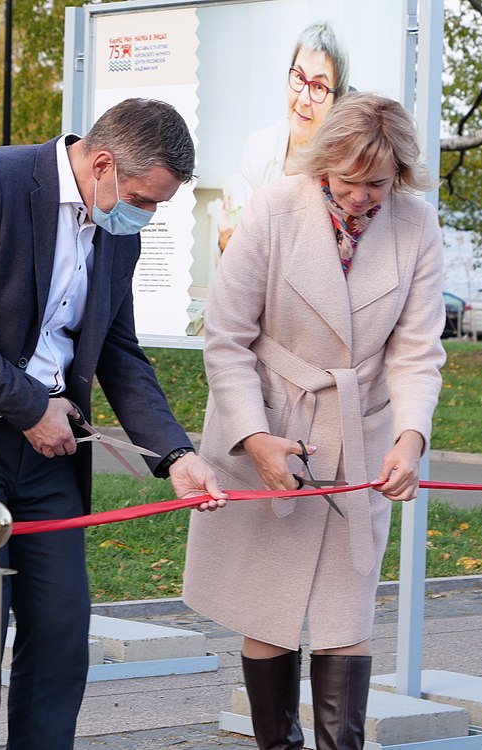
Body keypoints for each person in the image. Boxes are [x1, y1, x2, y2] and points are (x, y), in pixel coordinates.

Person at [0, 98, 226, 750]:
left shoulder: (122, 233)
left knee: (60, 631)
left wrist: (176, 455)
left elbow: (118, 351)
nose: (149, 214)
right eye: (144, 198)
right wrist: (30, 406)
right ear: (103, 163)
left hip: (53, 448)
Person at [184, 92, 446, 749]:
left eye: (378, 185)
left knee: (345, 612)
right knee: (266, 609)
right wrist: (253, 440)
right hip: (272, 422)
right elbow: (226, 337)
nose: (361, 198)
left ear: (401, 176)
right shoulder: (275, 208)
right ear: (325, 163)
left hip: (361, 438)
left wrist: (411, 439)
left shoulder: (418, 226)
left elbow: (418, 353)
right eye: (350, 182)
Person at [217, 20, 350, 251]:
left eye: (318, 87)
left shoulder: (346, 167)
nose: (303, 99)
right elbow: (235, 244)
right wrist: (226, 241)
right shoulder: (259, 148)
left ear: (337, 99)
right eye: (299, 78)